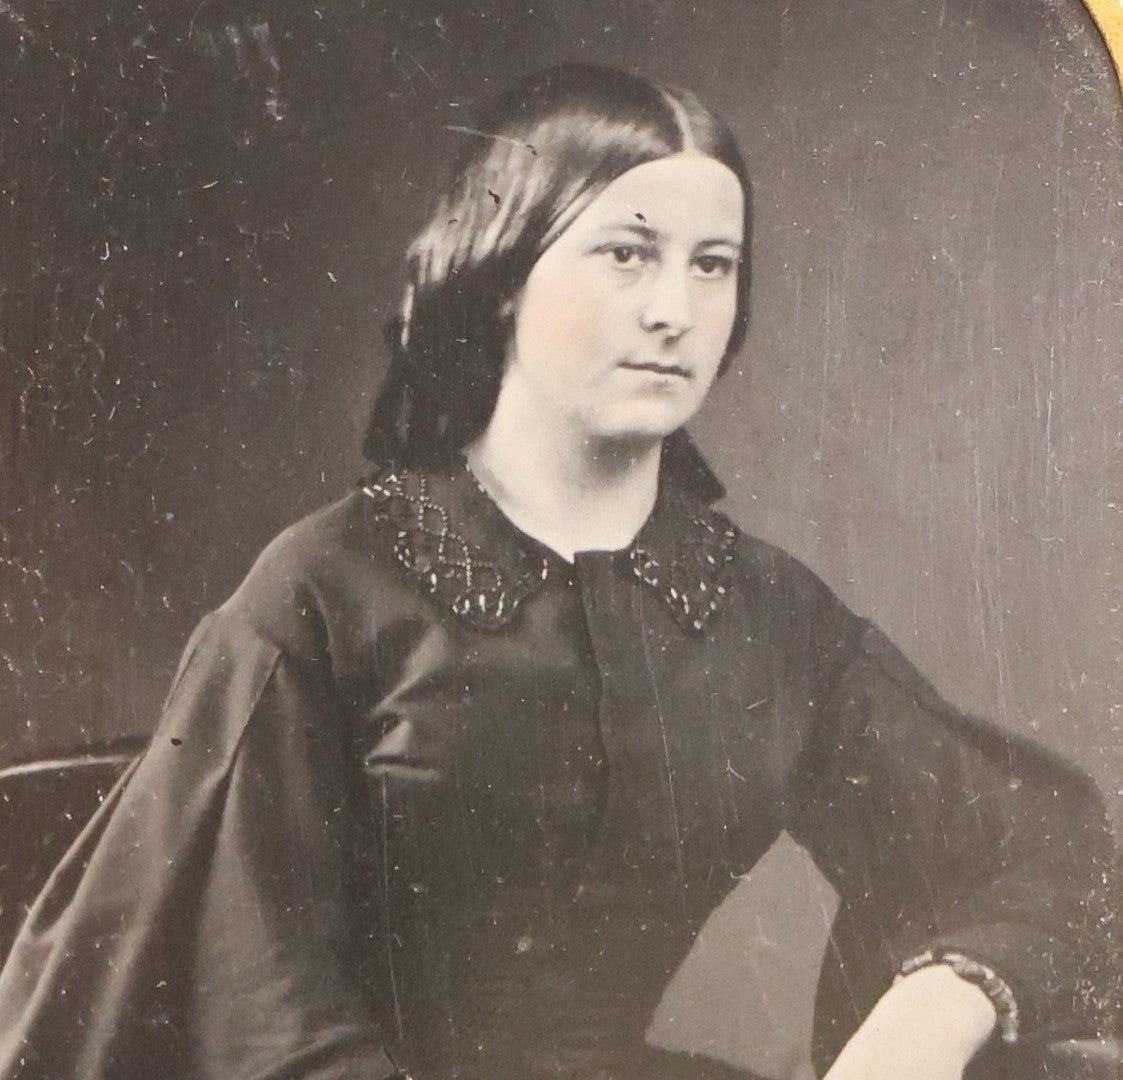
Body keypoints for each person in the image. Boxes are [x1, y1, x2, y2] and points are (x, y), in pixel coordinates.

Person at [0, 63, 1116, 1080]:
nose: (674, 310)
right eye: (626, 252)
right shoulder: (328, 588)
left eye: (711, 265)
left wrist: (940, 995)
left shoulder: (767, 612)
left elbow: (1059, 861)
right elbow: (249, 1008)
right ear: (500, 275)